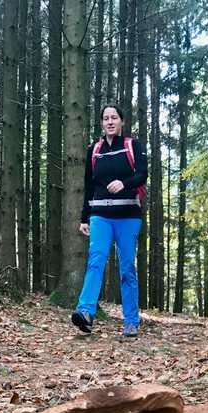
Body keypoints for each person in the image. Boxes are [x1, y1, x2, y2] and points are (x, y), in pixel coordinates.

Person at [70, 105, 148, 338]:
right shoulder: (94, 150)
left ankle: (132, 321)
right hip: (100, 216)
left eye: (114, 117)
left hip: (128, 216)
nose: (110, 122)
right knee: (96, 261)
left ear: (122, 121)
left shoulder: (132, 146)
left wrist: (125, 184)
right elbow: (89, 185)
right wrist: (84, 217)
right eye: (106, 118)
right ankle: (85, 313)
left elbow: (143, 174)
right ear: (102, 123)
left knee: (127, 269)